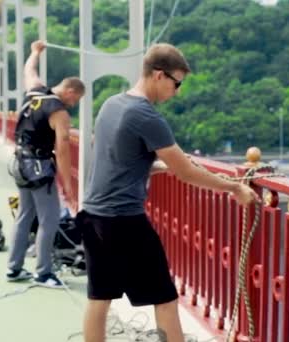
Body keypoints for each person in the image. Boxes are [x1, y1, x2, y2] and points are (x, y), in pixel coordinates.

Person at [77, 43, 259, 342]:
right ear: (159, 76)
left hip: (93, 215)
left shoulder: (112, 104)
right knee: (164, 298)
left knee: (100, 298)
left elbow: (118, 160)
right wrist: (234, 187)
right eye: (177, 84)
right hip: (124, 221)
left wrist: (154, 165)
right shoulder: (147, 117)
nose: (177, 91)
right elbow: (186, 171)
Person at [6, 40, 85, 288]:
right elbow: (62, 151)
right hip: (39, 167)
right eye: (76, 100)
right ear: (71, 92)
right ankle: (43, 273)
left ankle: (14, 268)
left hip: (19, 161)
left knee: (25, 216)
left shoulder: (35, 91)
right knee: (49, 219)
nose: (73, 104)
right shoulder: (59, 113)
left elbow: (28, 70)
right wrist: (69, 188)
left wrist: (34, 53)